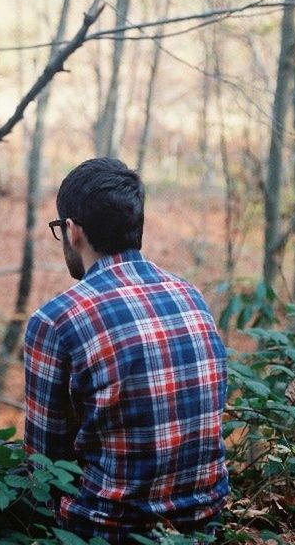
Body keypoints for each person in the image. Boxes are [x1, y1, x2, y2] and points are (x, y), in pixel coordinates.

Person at [23, 158, 229, 544]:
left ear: (72, 231)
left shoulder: (55, 320)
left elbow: (44, 465)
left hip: (109, 531)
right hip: (203, 522)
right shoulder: (191, 295)